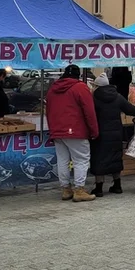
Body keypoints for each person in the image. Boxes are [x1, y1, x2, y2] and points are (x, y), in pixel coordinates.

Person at [46, 65, 99, 203]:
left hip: (57, 131)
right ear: (78, 75)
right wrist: (94, 131)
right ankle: (79, 190)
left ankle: (65, 189)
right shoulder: (80, 87)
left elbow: (48, 111)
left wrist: (53, 129)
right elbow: (89, 111)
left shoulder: (52, 89)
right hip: (76, 130)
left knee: (62, 160)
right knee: (81, 160)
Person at [89, 73, 135, 196]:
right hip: (116, 133)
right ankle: (117, 185)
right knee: (115, 157)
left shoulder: (93, 98)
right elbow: (130, 109)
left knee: (99, 159)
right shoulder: (117, 96)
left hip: (100, 134)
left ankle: (99, 188)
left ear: (97, 86)